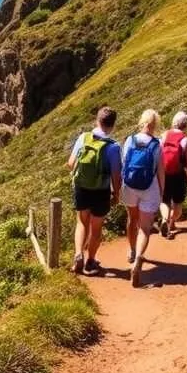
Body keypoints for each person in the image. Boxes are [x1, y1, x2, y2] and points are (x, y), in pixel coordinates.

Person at [67, 107, 123, 275]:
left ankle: (78, 254)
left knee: (81, 222)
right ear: (113, 125)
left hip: (82, 187)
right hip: (101, 190)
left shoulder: (83, 137)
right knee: (96, 227)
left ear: (97, 121)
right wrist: (116, 194)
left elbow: (70, 163)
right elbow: (116, 175)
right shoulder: (113, 147)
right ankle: (90, 262)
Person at [121, 109, 164, 288]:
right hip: (149, 188)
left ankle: (131, 251)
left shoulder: (130, 140)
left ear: (141, 122)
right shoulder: (157, 145)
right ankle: (139, 257)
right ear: (155, 125)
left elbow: (124, 163)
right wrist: (161, 193)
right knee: (145, 229)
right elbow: (160, 172)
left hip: (130, 186)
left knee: (132, 219)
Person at [159, 111, 187, 239]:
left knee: (165, 200)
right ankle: (171, 221)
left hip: (164, 174)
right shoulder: (186, 140)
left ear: (173, 123)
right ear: (186, 125)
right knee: (178, 205)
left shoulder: (163, 136)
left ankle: (164, 219)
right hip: (179, 176)